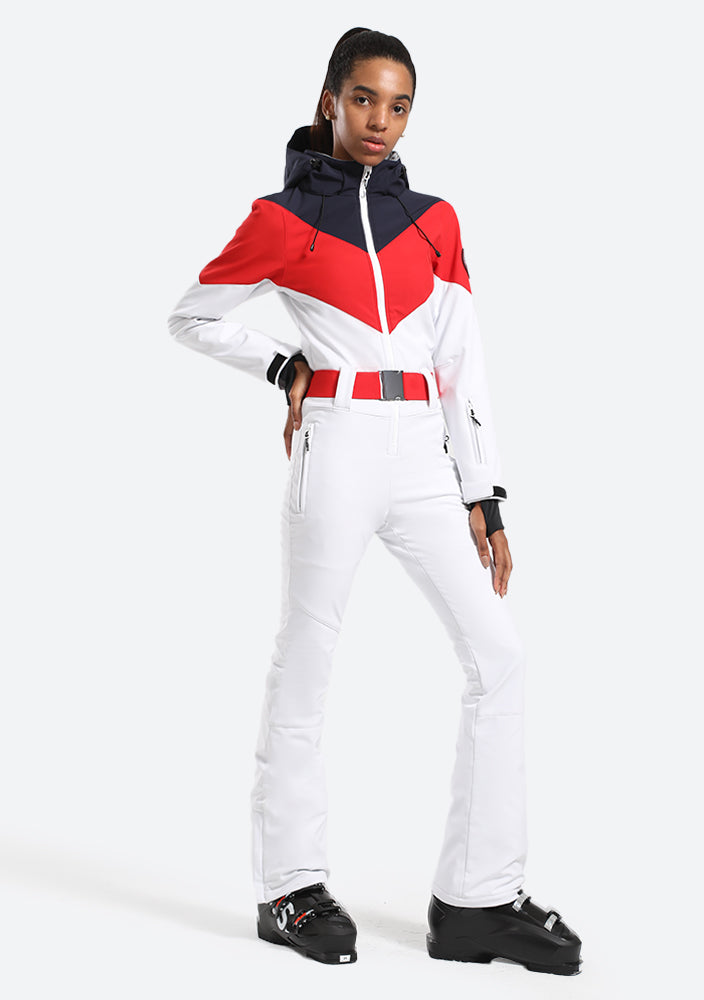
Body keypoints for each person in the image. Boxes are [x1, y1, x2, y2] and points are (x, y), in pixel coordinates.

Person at [167, 27, 582, 975]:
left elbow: (461, 363)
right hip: (340, 442)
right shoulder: (282, 219)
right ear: (330, 100)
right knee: (308, 657)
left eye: (398, 106)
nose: (380, 121)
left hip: (425, 454)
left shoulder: (434, 221)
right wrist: (284, 366)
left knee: (500, 655)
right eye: (363, 99)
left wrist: (483, 492)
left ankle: (478, 899)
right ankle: (290, 887)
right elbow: (191, 315)